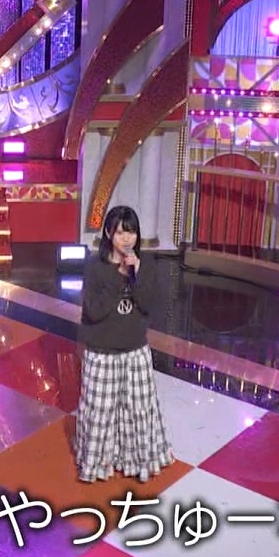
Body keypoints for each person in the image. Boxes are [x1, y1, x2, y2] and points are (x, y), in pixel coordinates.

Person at [73, 205, 173, 483]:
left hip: (135, 350)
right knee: (99, 412)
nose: (127, 239)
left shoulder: (145, 264)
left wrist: (136, 272)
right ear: (108, 233)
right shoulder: (95, 266)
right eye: (120, 233)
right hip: (101, 352)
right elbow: (94, 311)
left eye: (131, 233)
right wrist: (119, 274)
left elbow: (148, 305)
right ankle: (97, 462)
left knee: (138, 410)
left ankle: (137, 460)